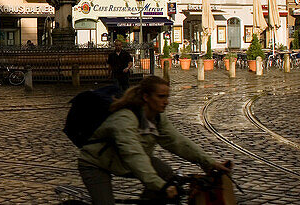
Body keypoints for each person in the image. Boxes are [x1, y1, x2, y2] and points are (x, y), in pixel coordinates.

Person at [78, 75, 230, 204]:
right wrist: (161, 187)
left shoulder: (157, 117)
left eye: (167, 97)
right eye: (161, 97)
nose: (166, 102)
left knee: (166, 173)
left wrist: (209, 162)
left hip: (122, 162)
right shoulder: (125, 119)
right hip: (96, 164)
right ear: (146, 97)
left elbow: (177, 141)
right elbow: (134, 155)